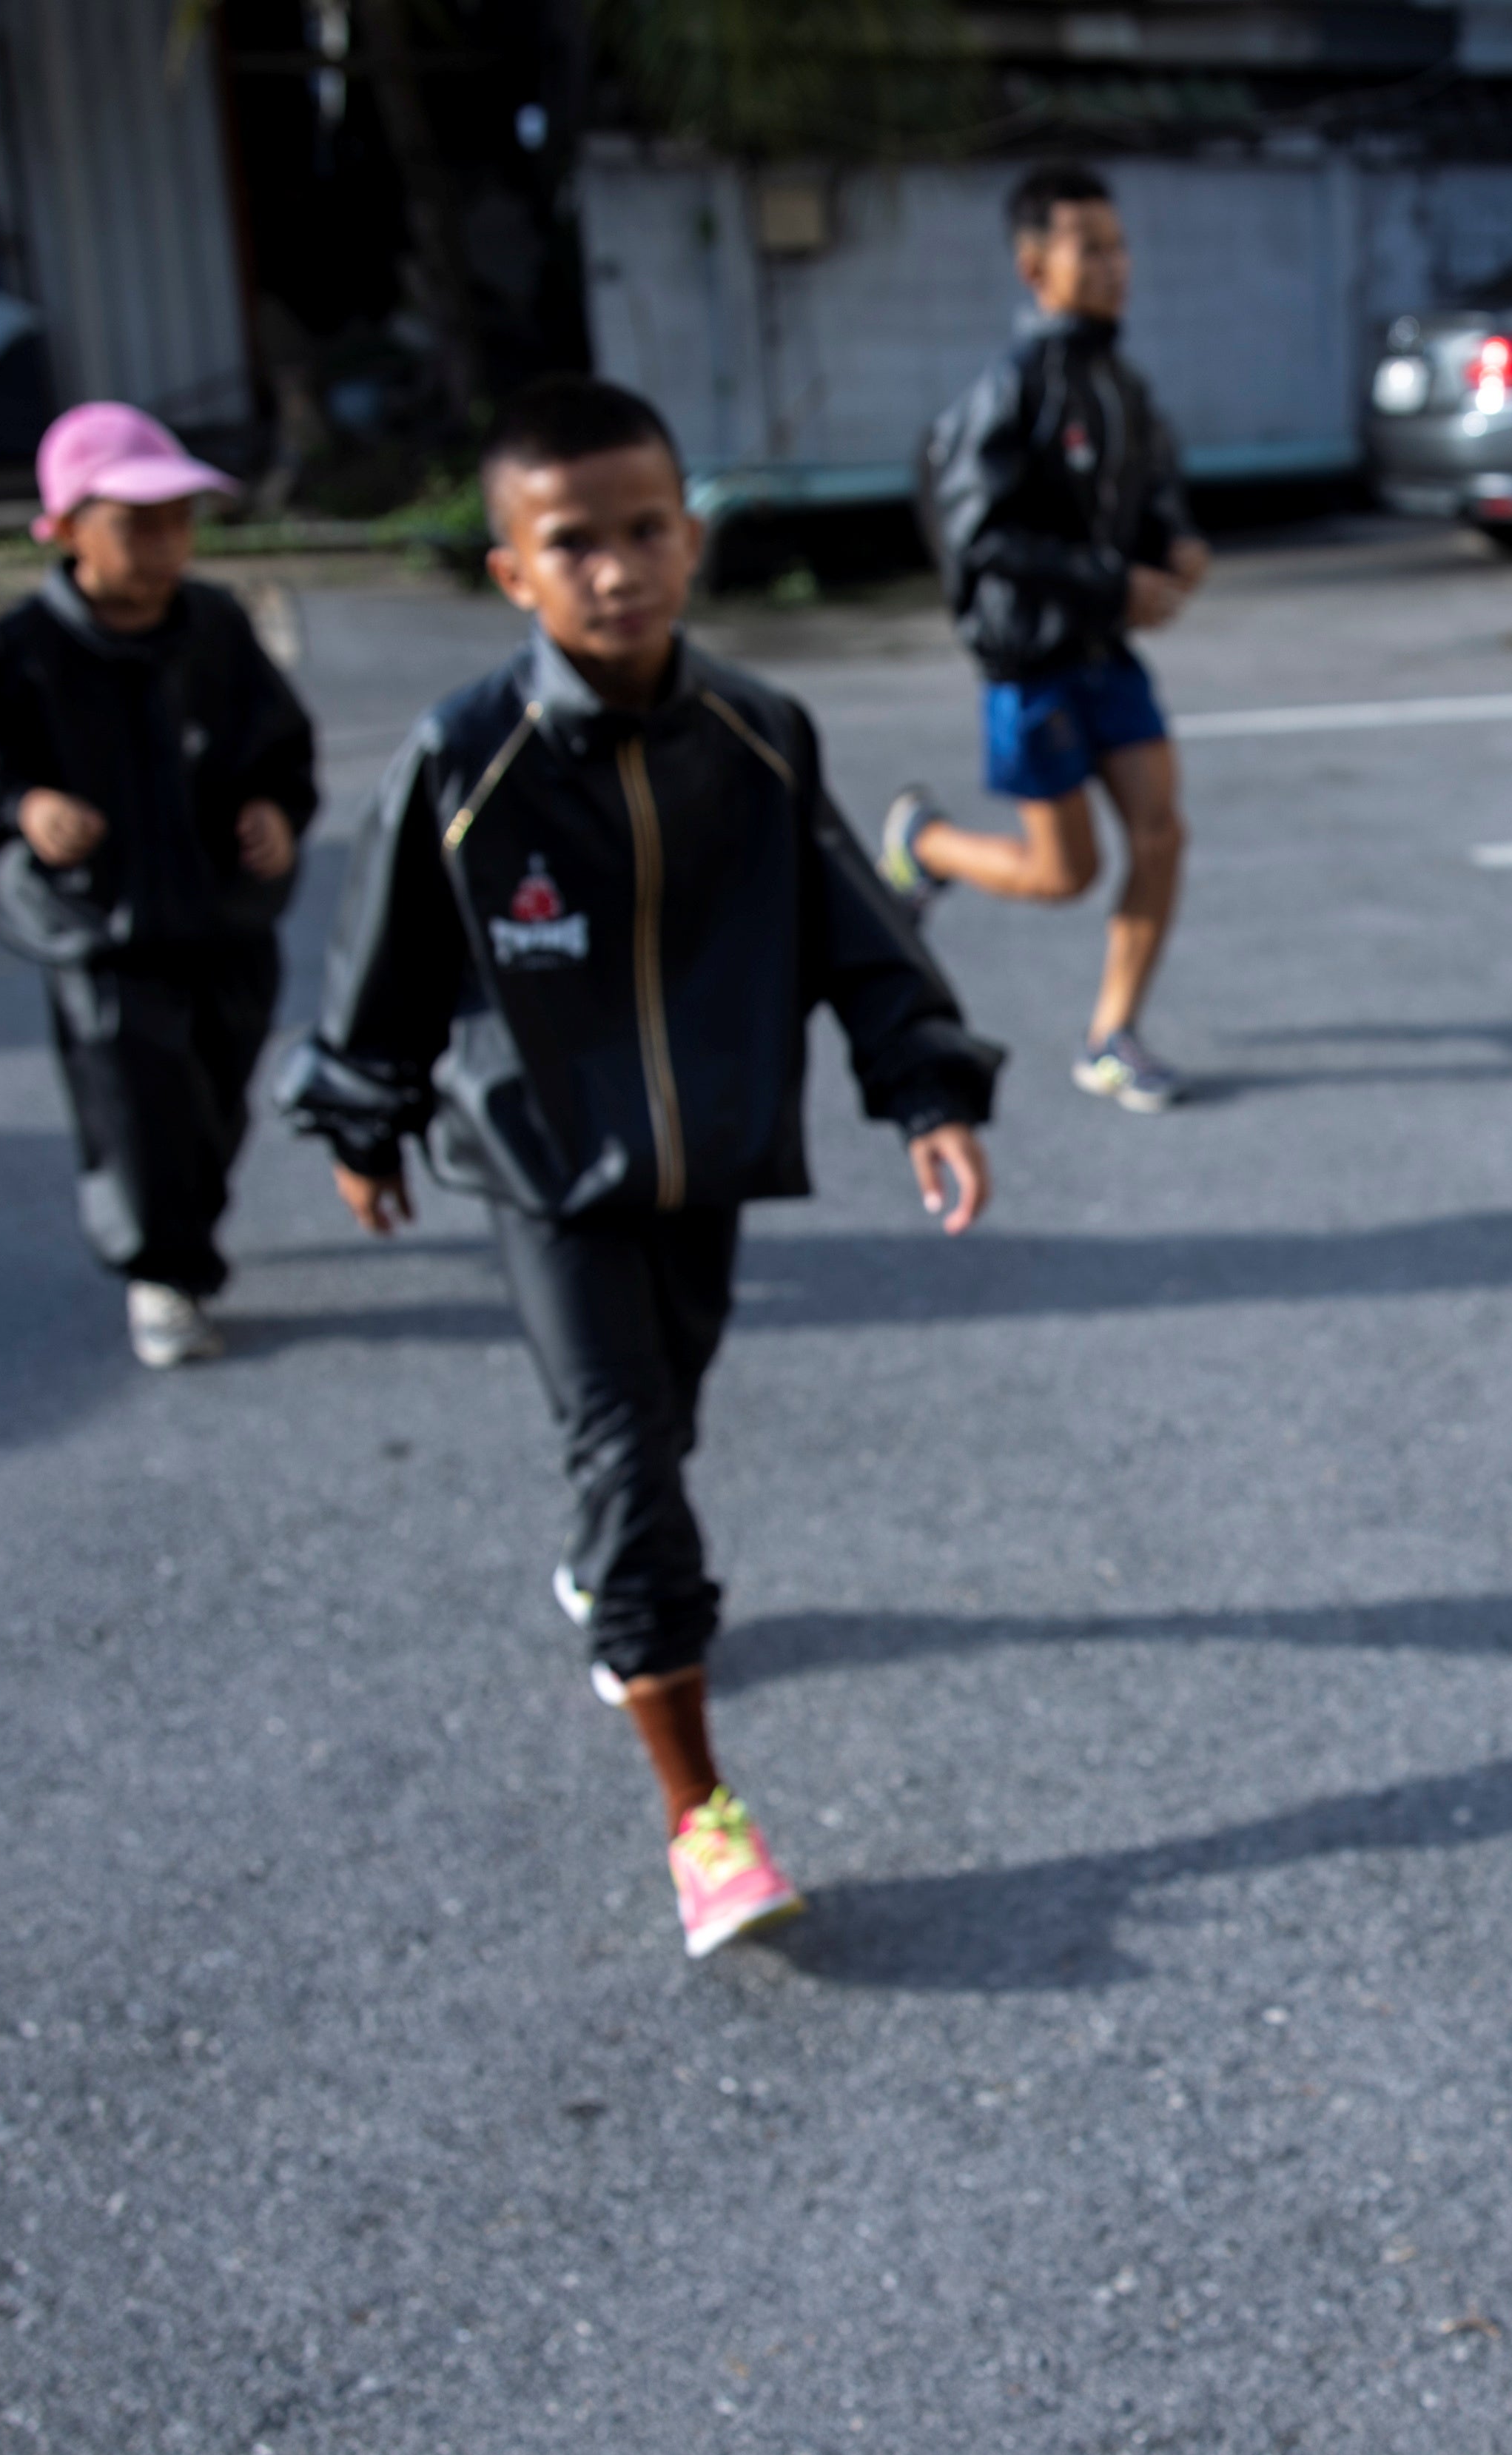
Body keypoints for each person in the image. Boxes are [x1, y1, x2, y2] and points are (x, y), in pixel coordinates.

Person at [278, 375, 1004, 1961]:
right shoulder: (462, 756)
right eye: (573, 542)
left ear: (692, 537)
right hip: (539, 1165)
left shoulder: (758, 731)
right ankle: (703, 1822)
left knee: (657, 1416)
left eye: (646, 530)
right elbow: (381, 956)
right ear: (512, 573)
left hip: (713, 1160)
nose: (617, 568)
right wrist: (364, 1111)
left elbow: (852, 938)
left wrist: (926, 1092)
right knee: (630, 1462)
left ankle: (610, 1565)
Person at [0, 401, 318, 1370]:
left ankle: (187, 1226)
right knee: (137, 1100)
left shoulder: (214, 626)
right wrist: (23, 806)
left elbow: (281, 745)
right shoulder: (22, 649)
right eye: (136, 521)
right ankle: (163, 1273)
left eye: (178, 518)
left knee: (215, 1088)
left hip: (221, 914)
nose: (164, 541)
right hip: (105, 927)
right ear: (68, 528)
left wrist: (275, 808)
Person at [878, 159, 1210, 1114]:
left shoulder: (1123, 385)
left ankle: (1112, 1037)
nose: (1116, 266)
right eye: (1091, 249)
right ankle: (925, 844)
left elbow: (1156, 491)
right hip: (1032, 662)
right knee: (1065, 875)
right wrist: (1113, 580)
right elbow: (981, 536)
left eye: (1120, 246)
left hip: (1108, 655)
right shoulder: (1012, 388)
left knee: (1163, 832)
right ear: (1035, 268)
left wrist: (1179, 545)